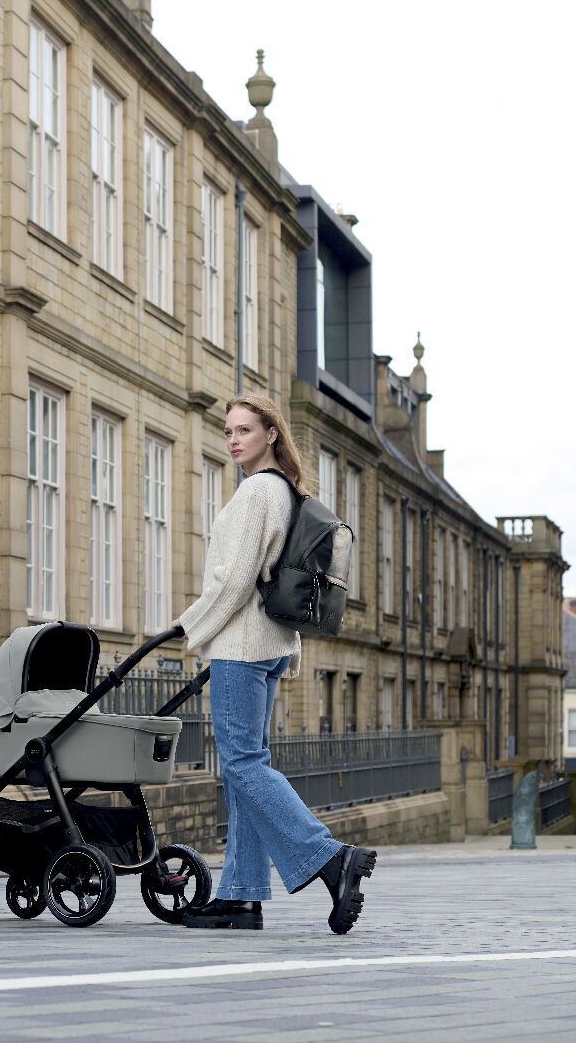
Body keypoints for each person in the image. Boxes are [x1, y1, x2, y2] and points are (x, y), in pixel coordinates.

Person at [172, 394, 377, 933]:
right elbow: (284, 577)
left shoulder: (256, 493)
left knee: (242, 765)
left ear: (271, 435)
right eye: (229, 431)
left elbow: (235, 580)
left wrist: (188, 627)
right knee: (247, 771)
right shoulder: (287, 493)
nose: (234, 439)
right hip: (271, 644)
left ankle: (330, 858)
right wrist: (290, 647)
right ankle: (240, 896)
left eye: (245, 429)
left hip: (241, 648)